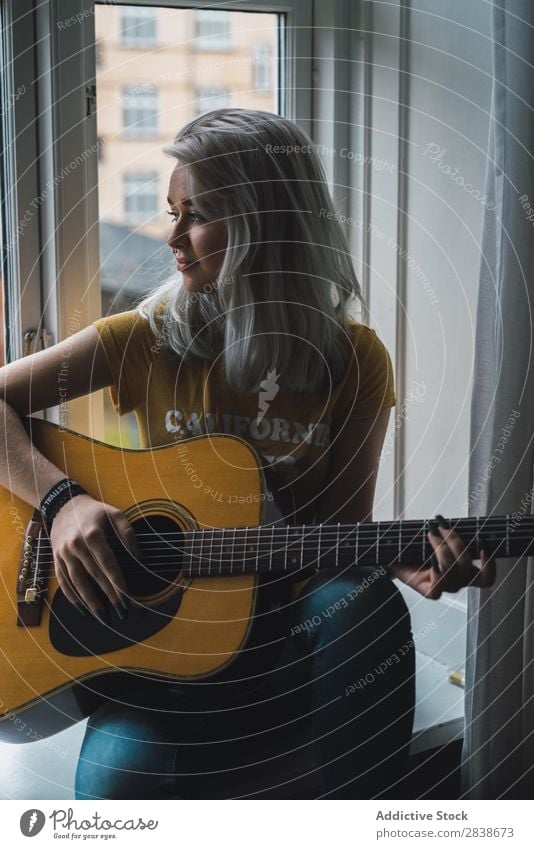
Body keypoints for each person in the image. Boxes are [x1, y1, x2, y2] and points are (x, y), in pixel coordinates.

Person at [0, 108, 495, 800]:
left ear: (264, 222)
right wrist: (59, 502)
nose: (172, 236)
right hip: (160, 663)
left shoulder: (354, 360)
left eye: (195, 214)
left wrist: (390, 553)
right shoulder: (140, 338)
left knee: (365, 603)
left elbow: (338, 541)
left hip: (286, 650)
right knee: (117, 786)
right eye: (173, 212)